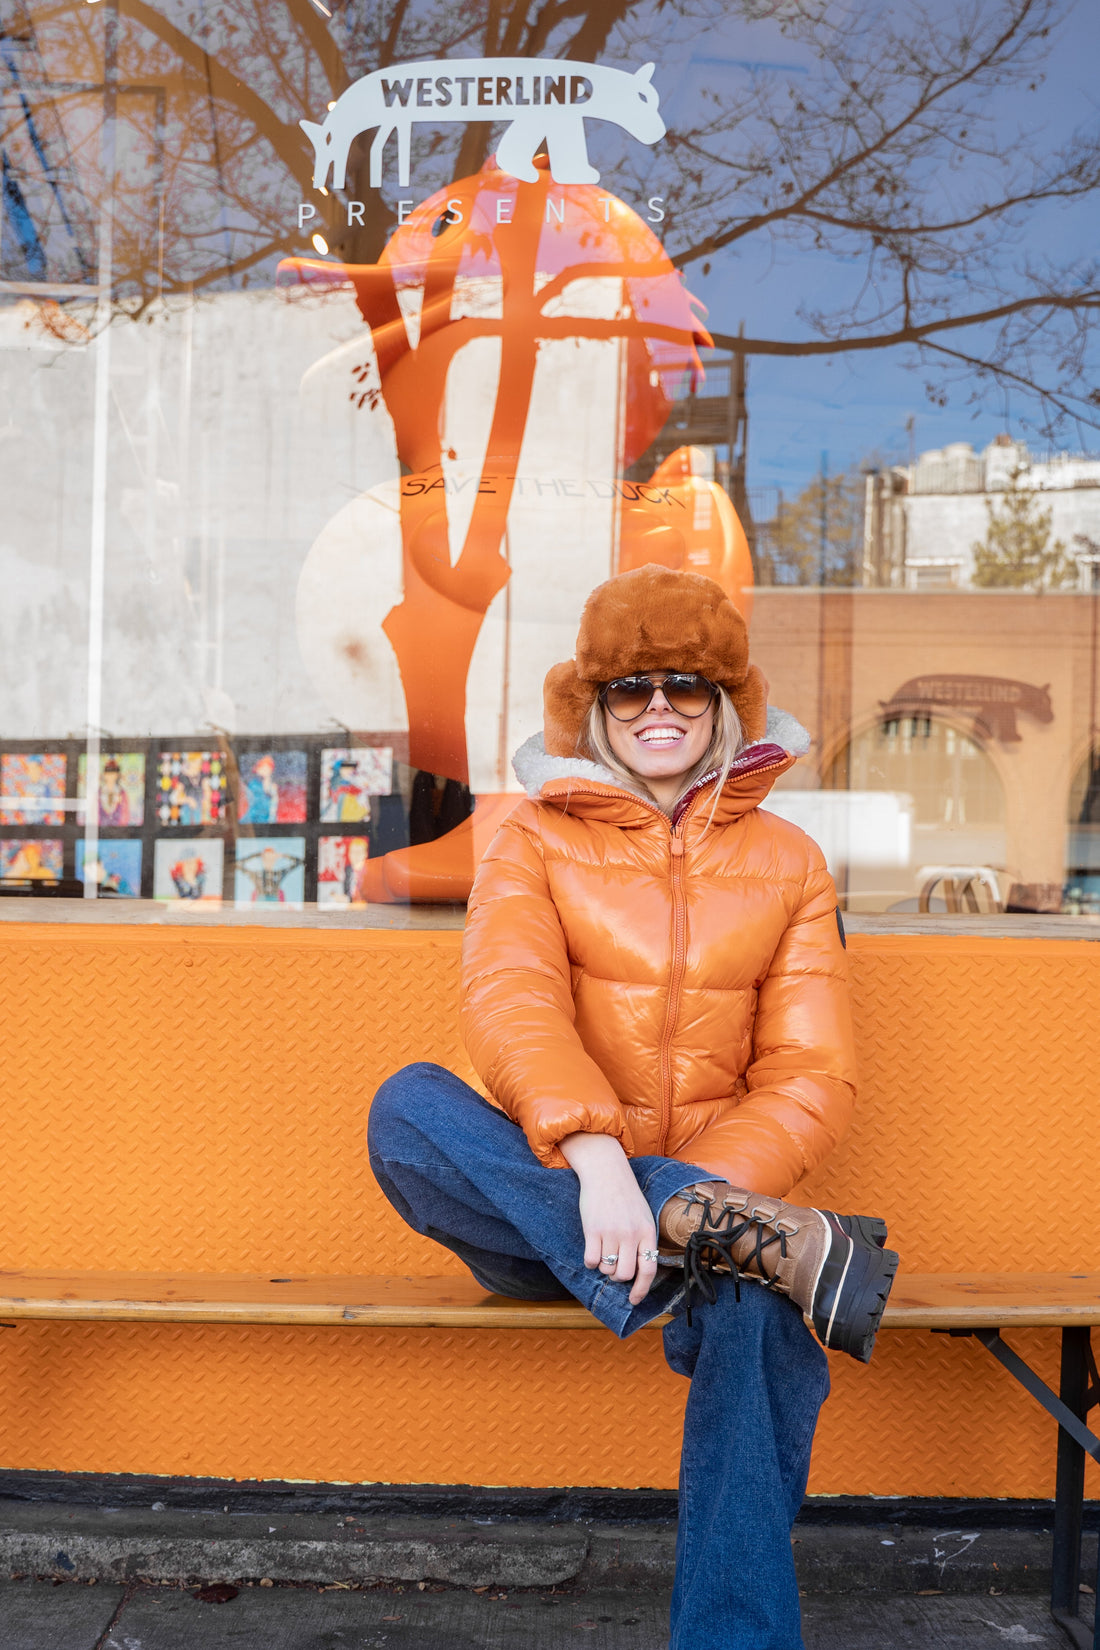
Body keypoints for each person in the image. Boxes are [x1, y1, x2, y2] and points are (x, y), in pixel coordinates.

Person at [368, 565, 898, 1650]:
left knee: (756, 1306)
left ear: (725, 706)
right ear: (591, 707)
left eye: (687, 686)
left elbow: (811, 1074)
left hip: (721, 1214)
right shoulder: (528, 837)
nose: (658, 707)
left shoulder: (788, 860)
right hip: (553, 1208)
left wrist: (697, 1200)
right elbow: (507, 1001)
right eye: (629, 688)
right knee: (407, 1108)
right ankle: (720, 1236)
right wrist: (601, 1164)